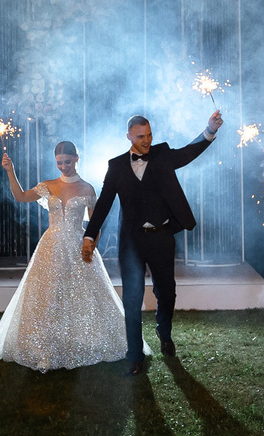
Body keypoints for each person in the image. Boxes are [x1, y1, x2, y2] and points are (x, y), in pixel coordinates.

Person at [80, 110, 225, 374]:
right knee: (132, 299)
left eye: (149, 135)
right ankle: (134, 356)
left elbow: (188, 152)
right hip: (131, 243)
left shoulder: (162, 154)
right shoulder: (115, 166)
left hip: (162, 236)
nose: (146, 141)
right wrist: (89, 235)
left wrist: (210, 130)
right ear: (128, 137)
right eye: (140, 136)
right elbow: (103, 204)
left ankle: (164, 331)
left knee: (166, 291)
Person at [0, 141, 126, 370]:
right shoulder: (48, 186)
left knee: (82, 295)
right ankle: (45, 346)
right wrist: (10, 171)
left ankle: (83, 341)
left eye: (67, 162)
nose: (63, 167)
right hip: (51, 246)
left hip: (78, 245)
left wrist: (90, 246)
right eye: (59, 163)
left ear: (77, 158)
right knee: (48, 295)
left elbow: (96, 223)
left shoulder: (88, 188)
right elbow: (20, 196)